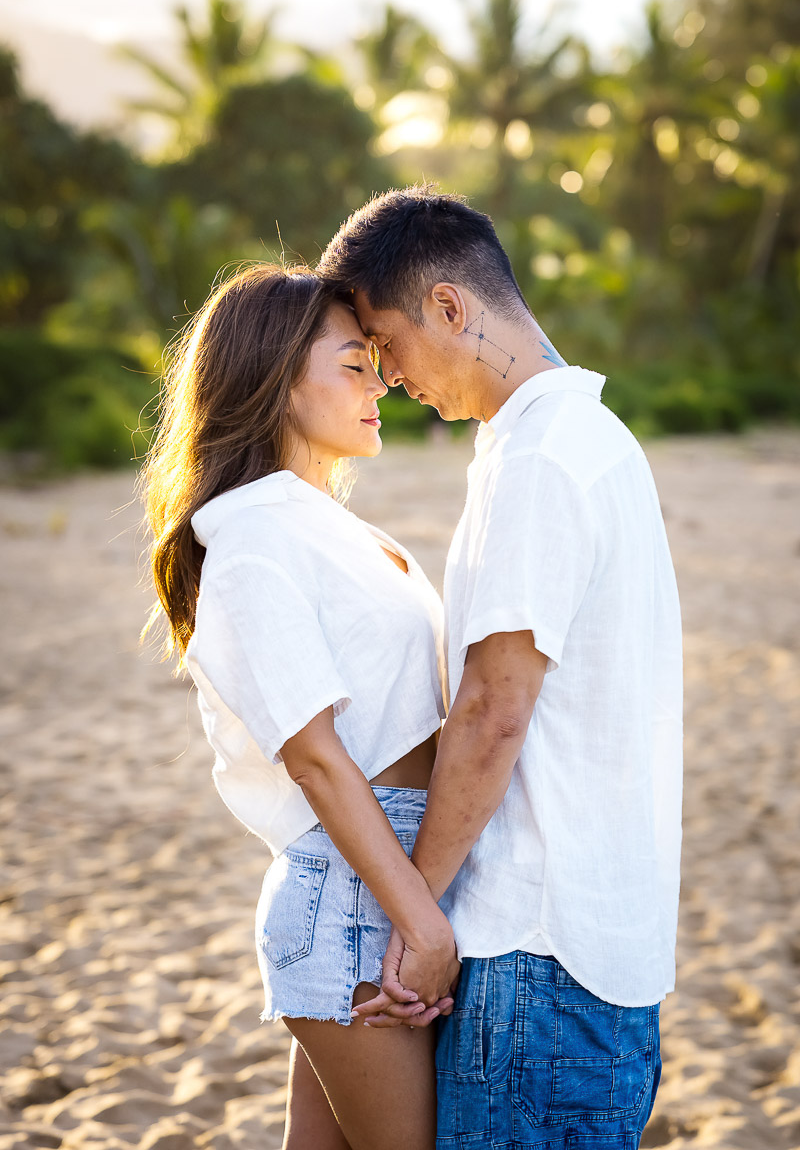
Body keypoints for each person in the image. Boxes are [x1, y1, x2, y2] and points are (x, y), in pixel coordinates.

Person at [318, 185, 684, 1149]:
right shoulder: (587, 441)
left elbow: (492, 711)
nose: (389, 381)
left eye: (387, 348)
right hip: (592, 947)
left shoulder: (541, 458)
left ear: (449, 306)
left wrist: (419, 911)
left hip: (537, 950)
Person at [140, 262, 460, 1150]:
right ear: (277, 382)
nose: (380, 383)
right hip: (360, 896)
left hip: (376, 884)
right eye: (354, 365)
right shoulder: (252, 537)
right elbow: (316, 756)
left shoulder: (321, 523)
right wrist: (419, 917)